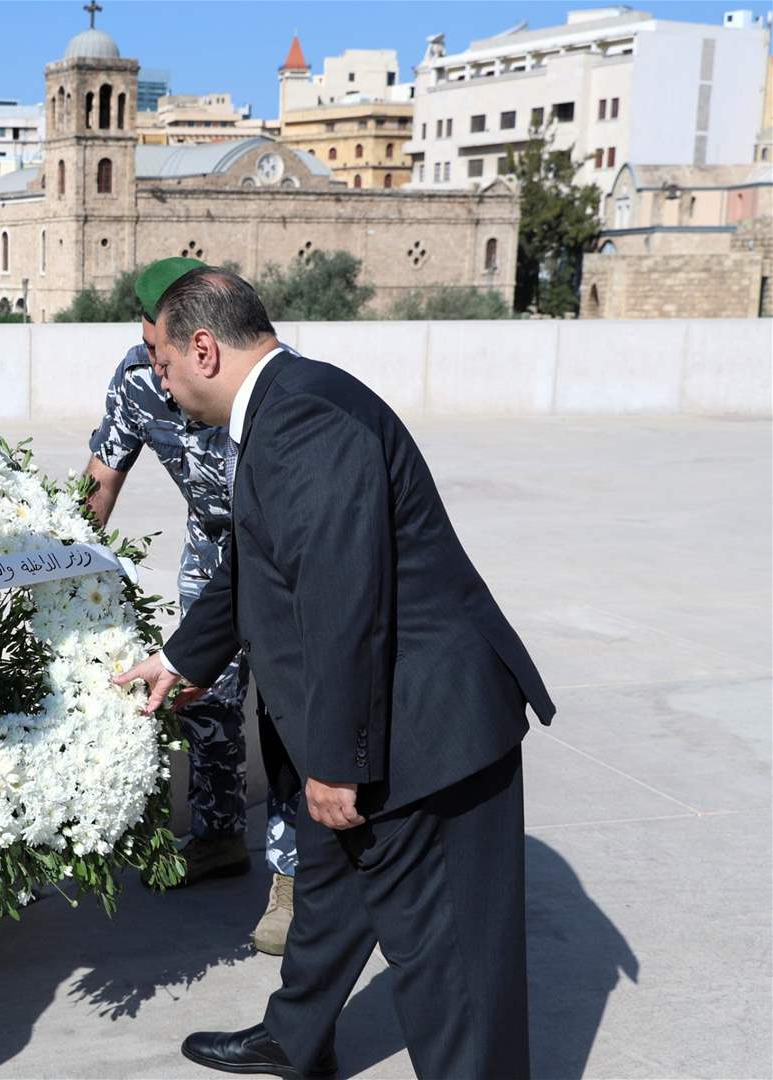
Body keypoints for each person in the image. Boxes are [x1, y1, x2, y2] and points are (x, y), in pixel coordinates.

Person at [117, 268, 555, 1079]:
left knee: (455, 972)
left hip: (426, 731)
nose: (160, 383)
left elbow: (342, 599)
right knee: (329, 888)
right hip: (374, 711)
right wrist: (181, 659)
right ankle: (297, 1035)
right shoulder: (284, 405)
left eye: (161, 361)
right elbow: (254, 564)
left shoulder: (304, 420)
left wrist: (336, 764)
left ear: (203, 349)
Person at [84, 257, 299, 953]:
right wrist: (65, 558)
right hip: (210, 547)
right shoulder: (138, 376)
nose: (155, 361)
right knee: (201, 697)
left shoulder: (261, 376)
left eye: (161, 347)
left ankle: (293, 877)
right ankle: (216, 837)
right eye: (148, 344)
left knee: (283, 707)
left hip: (272, 547)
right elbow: (103, 474)